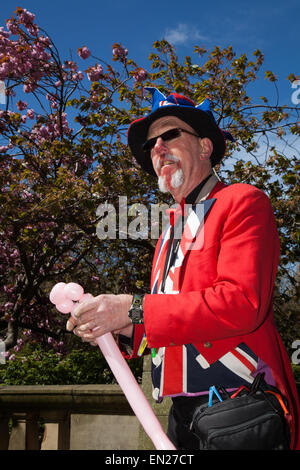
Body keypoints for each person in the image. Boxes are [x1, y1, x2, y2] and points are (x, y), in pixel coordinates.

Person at [66, 87, 300, 450]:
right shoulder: (167, 234)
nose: (157, 148)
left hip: (238, 406)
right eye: (150, 145)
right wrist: (114, 324)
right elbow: (167, 326)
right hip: (180, 416)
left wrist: (132, 306)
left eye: (170, 135)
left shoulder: (243, 201)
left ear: (205, 147)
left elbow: (241, 302)